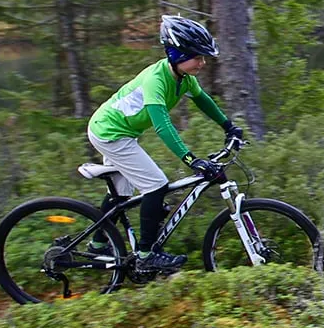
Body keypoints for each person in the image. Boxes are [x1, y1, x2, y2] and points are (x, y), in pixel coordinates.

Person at [85, 15, 243, 270]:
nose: (202, 63)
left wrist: (228, 126)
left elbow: (203, 100)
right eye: (197, 57)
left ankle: (97, 245)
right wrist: (191, 160)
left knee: (121, 193)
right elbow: (163, 126)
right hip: (110, 134)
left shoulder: (183, 78)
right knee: (156, 185)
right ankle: (146, 256)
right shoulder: (156, 80)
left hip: (120, 132)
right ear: (177, 55)